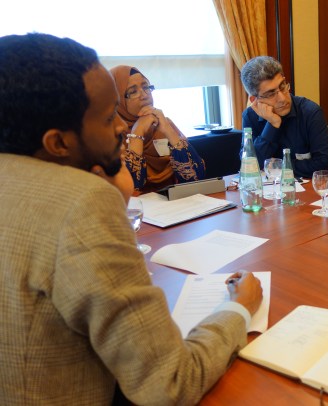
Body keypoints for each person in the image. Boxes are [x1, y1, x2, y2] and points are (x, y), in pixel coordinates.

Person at [0, 33, 262, 405]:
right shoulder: (82, 203)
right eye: (109, 117)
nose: (120, 128)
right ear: (57, 143)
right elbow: (169, 384)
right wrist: (238, 308)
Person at [110, 65, 206, 193]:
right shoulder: (111, 135)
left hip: (175, 199)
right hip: (137, 204)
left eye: (146, 87)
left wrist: (168, 130)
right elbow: (131, 186)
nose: (144, 96)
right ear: (117, 100)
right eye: (133, 92)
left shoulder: (163, 124)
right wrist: (137, 133)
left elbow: (196, 177)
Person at [241, 56, 328, 178]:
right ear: (254, 100)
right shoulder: (250, 116)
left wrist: (280, 167)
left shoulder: (310, 112)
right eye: (270, 94)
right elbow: (249, 165)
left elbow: (325, 164)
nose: (282, 99)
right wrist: (272, 125)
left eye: (282, 86)